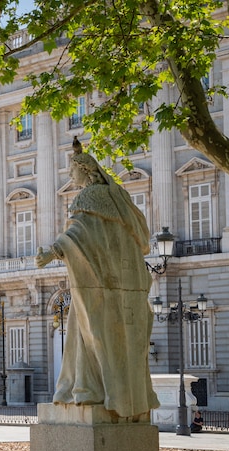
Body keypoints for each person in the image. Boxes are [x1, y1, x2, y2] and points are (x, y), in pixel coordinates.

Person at [36, 137, 157, 419]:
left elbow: (81, 233)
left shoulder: (90, 197)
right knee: (111, 339)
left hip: (100, 283)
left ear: (86, 171)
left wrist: (53, 252)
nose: (69, 175)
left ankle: (89, 389)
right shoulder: (117, 199)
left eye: (72, 170)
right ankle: (113, 392)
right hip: (121, 284)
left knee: (89, 336)